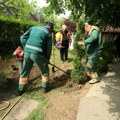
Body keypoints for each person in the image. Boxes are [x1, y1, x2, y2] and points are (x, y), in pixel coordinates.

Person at [18, 21, 54, 95]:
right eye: (52, 30)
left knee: (25, 70)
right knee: (45, 70)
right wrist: (47, 59)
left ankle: (21, 89)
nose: (51, 31)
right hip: (37, 53)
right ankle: (45, 87)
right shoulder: (48, 34)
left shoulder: (33, 28)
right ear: (50, 28)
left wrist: (26, 47)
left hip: (27, 52)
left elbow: (22, 38)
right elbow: (48, 49)